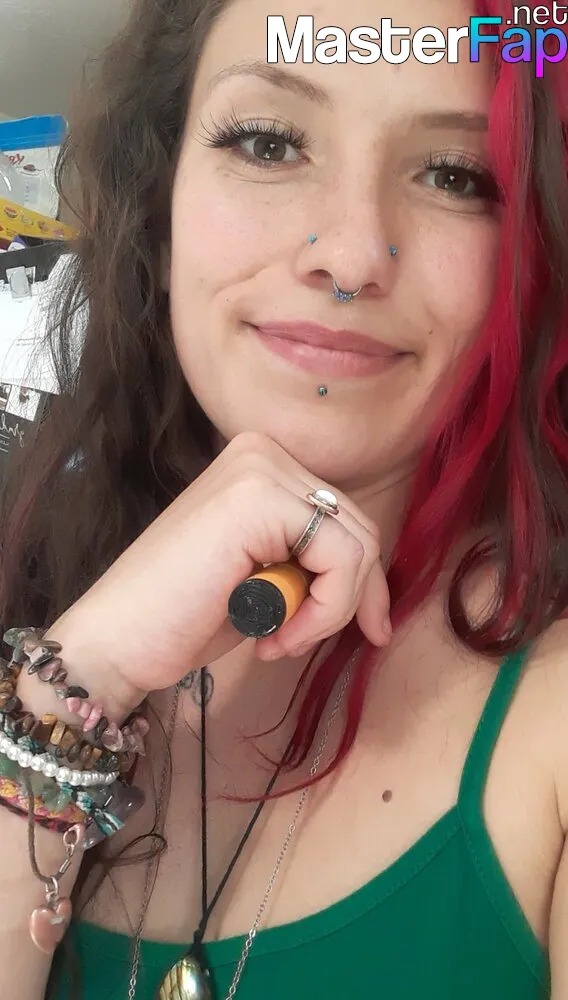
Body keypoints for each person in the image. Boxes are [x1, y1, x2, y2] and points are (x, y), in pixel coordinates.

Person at [0, 0, 567, 997]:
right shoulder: (31, 573)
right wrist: (82, 676)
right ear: (159, 201)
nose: (348, 257)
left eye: (454, 174)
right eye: (268, 142)